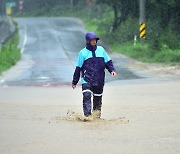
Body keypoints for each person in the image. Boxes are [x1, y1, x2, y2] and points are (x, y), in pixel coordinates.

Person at [72, 32, 117, 120]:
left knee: (98, 100)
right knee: (87, 96)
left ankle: (96, 118)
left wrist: (112, 70)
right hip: (87, 79)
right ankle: (88, 117)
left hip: (99, 80)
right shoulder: (82, 53)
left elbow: (108, 62)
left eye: (95, 40)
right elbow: (78, 68)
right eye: (92, 40)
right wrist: (75, 81)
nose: (94, 42)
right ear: (88, 41)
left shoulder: (101, 50)